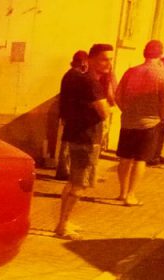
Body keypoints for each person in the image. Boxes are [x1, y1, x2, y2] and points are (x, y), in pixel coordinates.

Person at [56, 43, 113, 239]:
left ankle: (64, 222)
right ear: (91, 59)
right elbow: (105, 112)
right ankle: (62, 226)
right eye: (104, 59)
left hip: (77, 135)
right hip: (86, 139)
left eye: (110, 59)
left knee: (73, 183)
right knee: (78, 186)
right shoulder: (91, 83)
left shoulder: (77, 78)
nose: (108, 64)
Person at [115, 39, 164, 206]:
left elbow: (118, 96)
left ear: (144, 52)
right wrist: (162, 117)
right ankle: (131, 195)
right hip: (150, 122)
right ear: (161, 54)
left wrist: (127, 110)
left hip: (128, 121)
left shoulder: (131, 71)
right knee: (140, 159)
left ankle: (122, 192)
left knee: (125, 158)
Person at [55, 50, 90, 181]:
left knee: (66, 142)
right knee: (69, 143)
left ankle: (62, 169)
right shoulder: (77, 76)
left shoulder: (68, 75)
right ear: (82, 62)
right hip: (74, 115)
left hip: (67, 113)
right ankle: (64, 170)